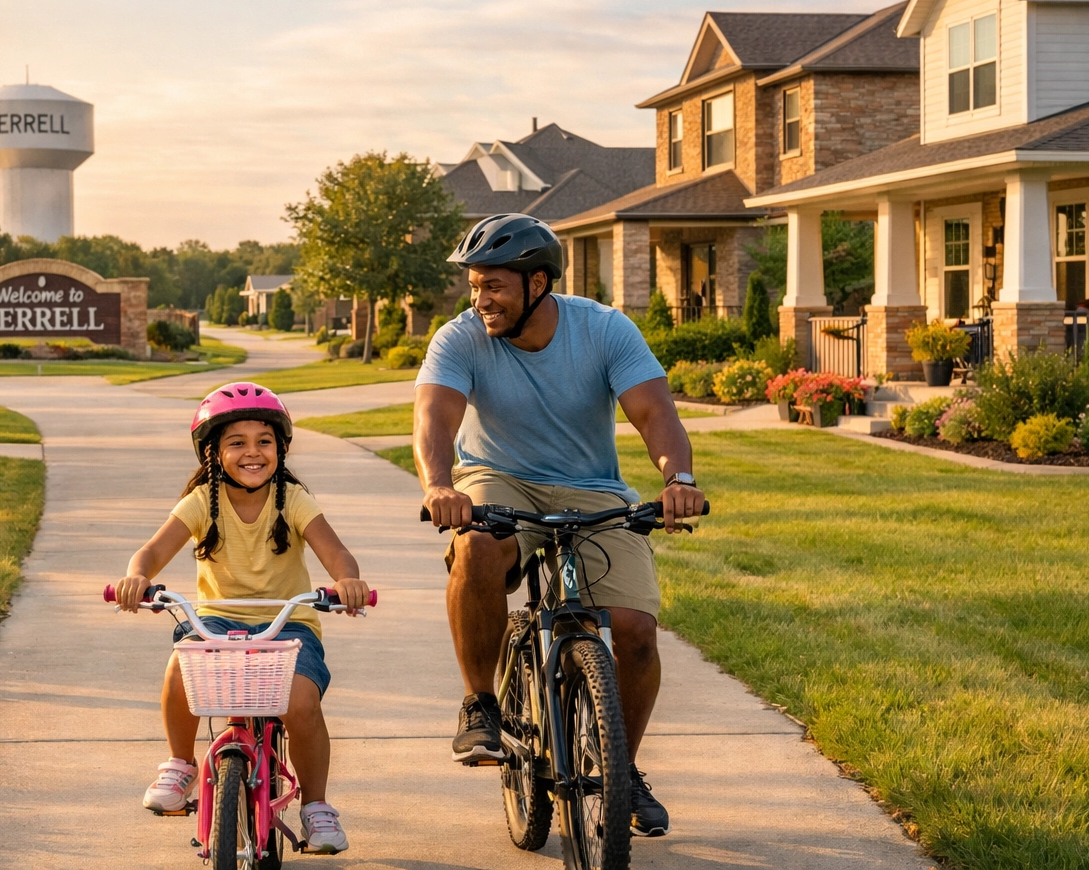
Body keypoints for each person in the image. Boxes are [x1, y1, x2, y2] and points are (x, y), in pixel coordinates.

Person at [413, 213, 706, 838]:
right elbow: (434, 419)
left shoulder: (603, 329)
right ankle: (481, 705)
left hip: (591, 488)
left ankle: (622, 770)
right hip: (497, 477)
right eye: (474, 287)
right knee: (479, 548)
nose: (480, 300)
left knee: (633, 630)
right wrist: (440, 485)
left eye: (493, 286)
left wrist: (678, 480)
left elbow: (655, 413)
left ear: (538, 282)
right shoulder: (460, 338)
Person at [114, 382, 369, 855]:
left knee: (300, 704)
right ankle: (179, 764)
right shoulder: (199, 503)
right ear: (213, 454)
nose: (252, 453)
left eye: (264, 441)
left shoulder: (290, 500)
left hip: (286, 623)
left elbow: (337, 555)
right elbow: (151, 551)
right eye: (237, 443)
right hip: (213, 620)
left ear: (281, 449)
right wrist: (137, 576)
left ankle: (316, 806)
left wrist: (347, 582)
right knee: (178, 669)